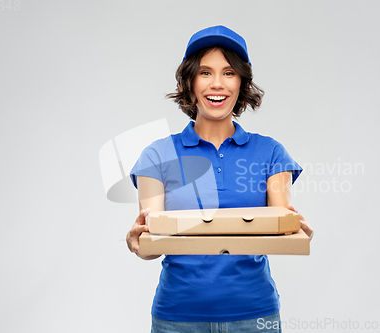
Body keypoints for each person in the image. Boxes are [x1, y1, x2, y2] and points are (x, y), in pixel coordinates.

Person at [126, 25, 313, 333]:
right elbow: (152, 240)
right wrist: (137, 243)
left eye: (228, 73)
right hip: (178, 317)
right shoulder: (157, 156)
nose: (217, 84)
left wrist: (298, 233)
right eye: (205, 72)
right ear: (190, 81)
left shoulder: (271, 153)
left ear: (242, 82)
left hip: (254, 317)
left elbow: (282, 227)